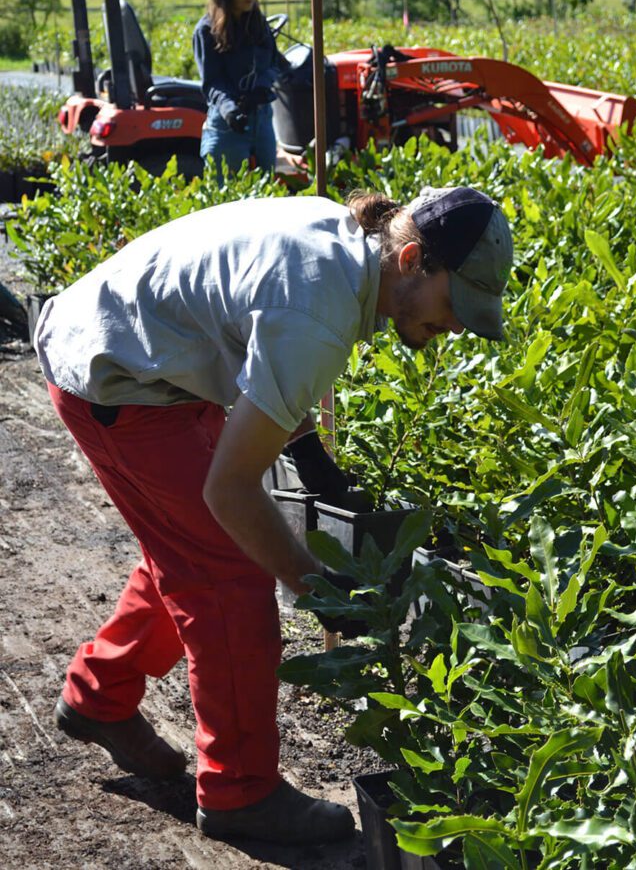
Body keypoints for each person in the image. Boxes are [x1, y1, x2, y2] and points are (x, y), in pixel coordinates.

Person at [33, 186, 513, 846]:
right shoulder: (317, 315)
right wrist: (313, 584)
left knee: (187, 551)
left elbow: (261, 350)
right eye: (454, 305)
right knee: (229, 573)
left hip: (144, 355)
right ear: (409, 261)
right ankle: (239, 793)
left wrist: (316, 465)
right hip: (113, 375)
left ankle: (98, 695)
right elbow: (230, 492)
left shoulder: (342, 247)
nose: (454, 326)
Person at [193, 0, 283, 180]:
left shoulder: (258, 24)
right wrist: (231, 110)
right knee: (226, 200)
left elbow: (273, 63)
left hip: (262, 119)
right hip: (227, 125)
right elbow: (212, 81)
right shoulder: (206, 31)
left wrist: (262, 87)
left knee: (268, 194)